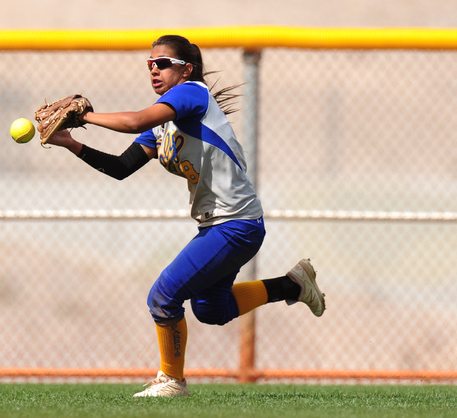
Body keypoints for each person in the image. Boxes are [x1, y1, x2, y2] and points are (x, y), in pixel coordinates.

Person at [43, 34, 326, 397]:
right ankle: (293, 284)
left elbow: (133, 121)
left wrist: (85, 116)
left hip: (235, 223)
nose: (154, 70)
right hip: (218, 225)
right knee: (211, 309)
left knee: (163, 296)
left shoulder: (192, 93)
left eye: (163, 64)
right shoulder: (162, 124)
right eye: (150, 65)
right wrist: (70, 143)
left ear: (186, 69)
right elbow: (121, 167)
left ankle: (172, 380)